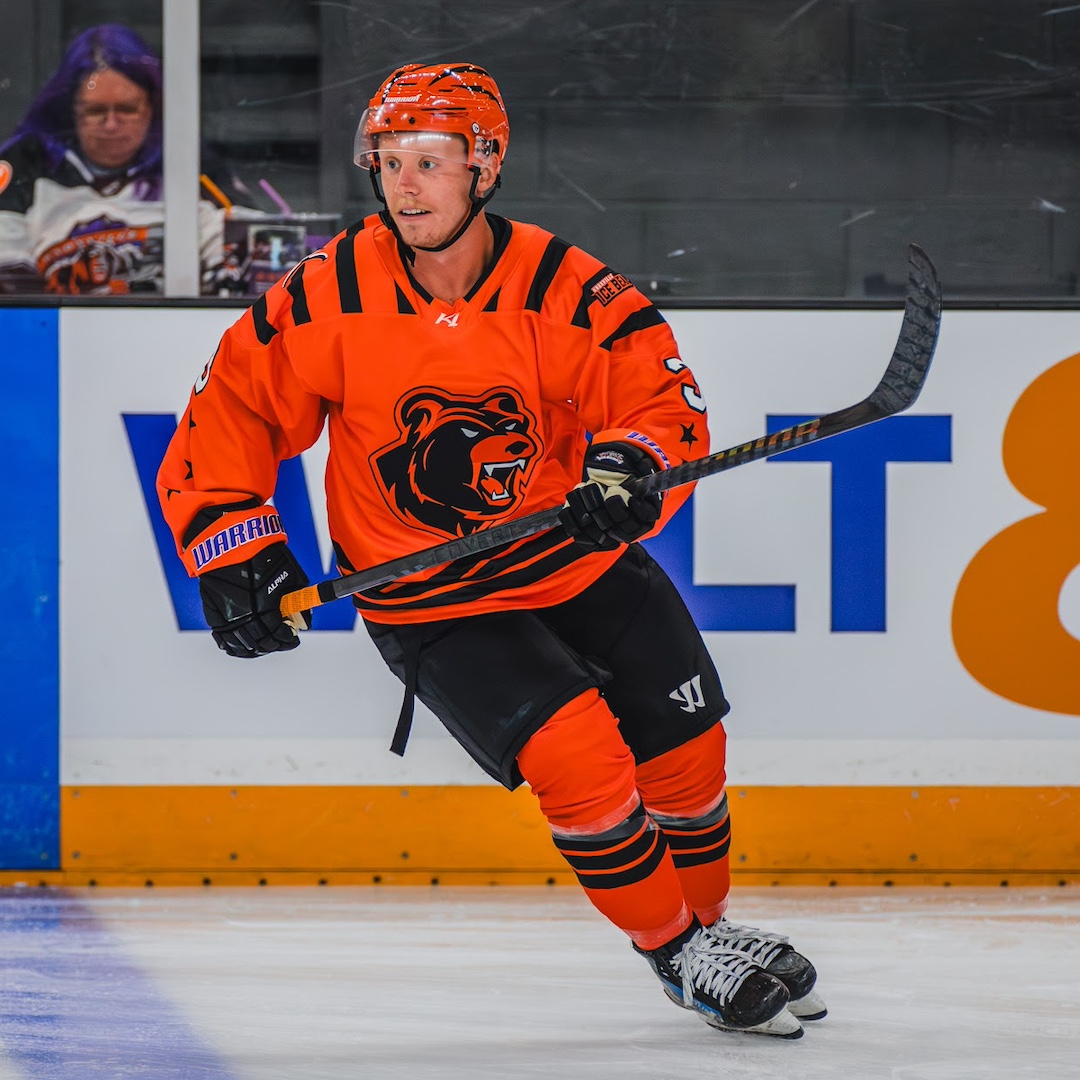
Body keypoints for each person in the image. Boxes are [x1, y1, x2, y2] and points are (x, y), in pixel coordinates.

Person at [156, 62, 826, 1039]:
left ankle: (711, 926)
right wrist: (231, 545)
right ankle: (676, 950)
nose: (405, 185)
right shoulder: (325, 295)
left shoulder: (567, 284)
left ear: (485, 164)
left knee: (688, 751)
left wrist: (626, 470)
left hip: (575, 561)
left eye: (429, 161)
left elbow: (654, 395)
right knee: (581, 760)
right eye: (390, 161)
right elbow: (233, 414)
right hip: (435, 600)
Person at [0, 24, 241, 295]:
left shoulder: (188, 164)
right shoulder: (28, 164)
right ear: (71, 109)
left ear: (153, 107)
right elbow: (9, 283)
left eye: (127, 109)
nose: (111, 125)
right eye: (95, 111)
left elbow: (248, 255)